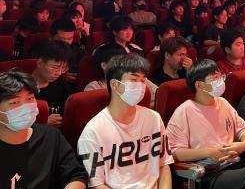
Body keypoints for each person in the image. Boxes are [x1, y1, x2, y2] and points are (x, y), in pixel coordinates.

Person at [166, 59, 245, 189]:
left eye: (220, 76)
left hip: (236, 165)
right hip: (210, 174)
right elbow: (174, 153)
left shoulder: (223, 103)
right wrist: (209, 152)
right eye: (215, 78)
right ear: (199, 85)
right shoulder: (185, 111)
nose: (220, 81)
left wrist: (243, 145)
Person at [78, 54, 173, 187]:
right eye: (134, 80)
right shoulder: (93, 131)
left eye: (143, 81)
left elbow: (163, 165)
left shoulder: (154, 118)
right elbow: (97, 185)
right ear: (115, 85)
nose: (140, 86)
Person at [0, 70, 89, 188]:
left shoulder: (51, 136)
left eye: (30, 98)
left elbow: (75, 175)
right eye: (15, 102)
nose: (25, 107)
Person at [32, 41, 73, 127]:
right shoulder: (21, 87)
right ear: (40, 63)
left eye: (63, 68)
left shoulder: (61, 84)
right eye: (55, 67)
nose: (59, 73)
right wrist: (43, 122)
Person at [49, 18, 85, 84]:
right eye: (62, 39)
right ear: (51, 37)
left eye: (70, 39)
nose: (66, 42)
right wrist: (60, 76)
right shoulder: (41, 51)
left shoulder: (79, 52)